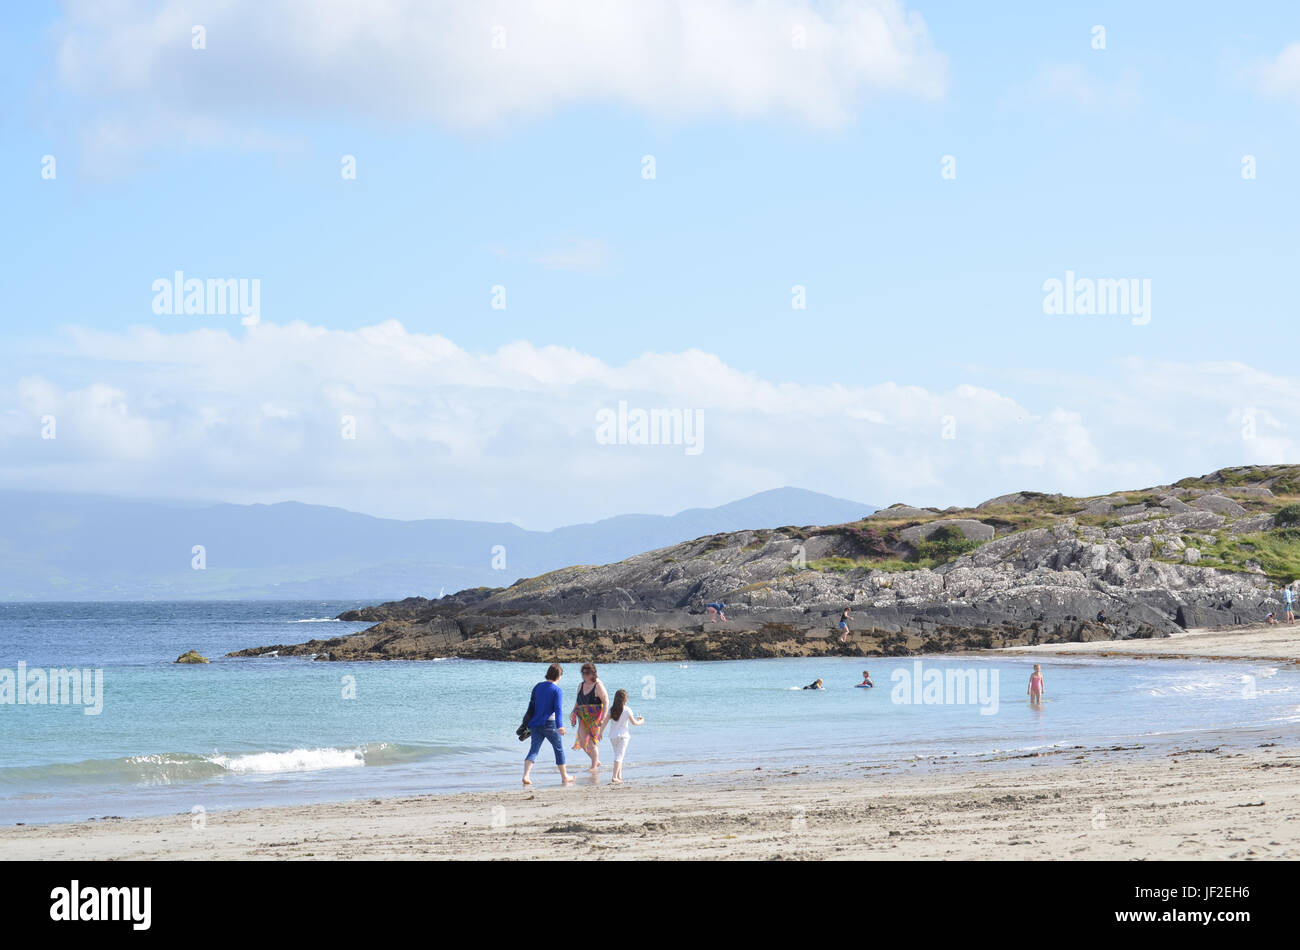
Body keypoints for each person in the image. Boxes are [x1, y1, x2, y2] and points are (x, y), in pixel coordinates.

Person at [522, 664, 575, 786]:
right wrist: (560, 726)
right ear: (559, 676)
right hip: (550, 724)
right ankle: (565, 776)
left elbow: (532, 705)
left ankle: (526, 775)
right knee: (559, 749)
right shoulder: (557, 690)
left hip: (535, 724)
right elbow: (558, 709)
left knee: (534, 750)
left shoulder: (538, 686)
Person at [570, 662, 609, 771]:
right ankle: (595, 761)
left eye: (587, 673)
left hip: (595, 717)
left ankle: (593, 766)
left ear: (593, 673)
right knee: (582, 742)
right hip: (582, 717)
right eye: (583, 673)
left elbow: (606, 701)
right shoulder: (581, 685)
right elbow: (578, 701)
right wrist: (573, 713)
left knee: (592, 742)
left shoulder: (598, 686)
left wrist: (603, 718)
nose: (584, 675)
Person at [604, 689, 644, 784]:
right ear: (625, 700)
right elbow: (634, 723)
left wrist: (600, 733)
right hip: (623, 736)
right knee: (619, 756)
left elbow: (604, 722)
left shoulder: (611, 709)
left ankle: (619, 775)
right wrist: (641, 721)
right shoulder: (627, 710)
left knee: (618, 755)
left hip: (613, 736)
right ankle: (614, 777)